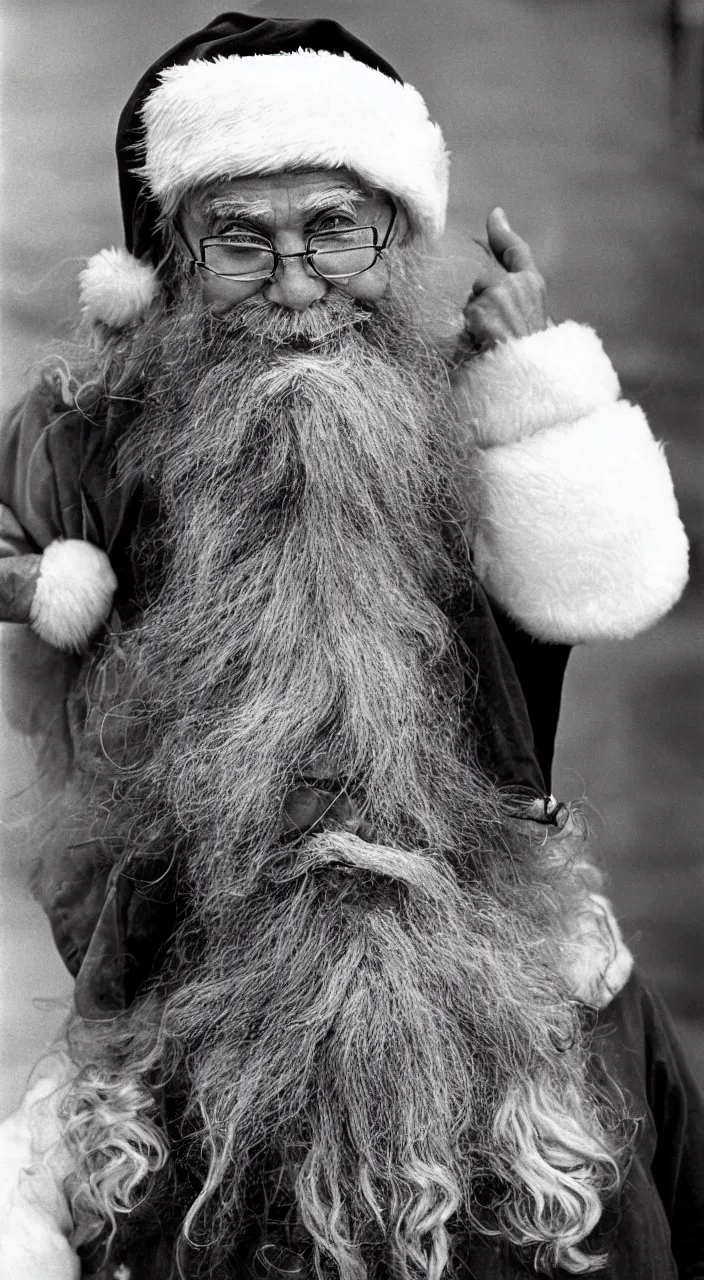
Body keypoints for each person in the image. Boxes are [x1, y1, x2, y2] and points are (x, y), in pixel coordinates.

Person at [0, 13, 699, 1280]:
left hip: (498, 992)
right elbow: (66, 764)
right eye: (240, 239)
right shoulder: (97, 442)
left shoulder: (464, 398)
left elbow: (607, 588)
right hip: (213, 1010)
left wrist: (536, 387)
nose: (297, 279)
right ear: (172, 256)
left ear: (395, 235)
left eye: (334, 227)